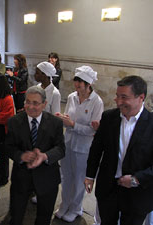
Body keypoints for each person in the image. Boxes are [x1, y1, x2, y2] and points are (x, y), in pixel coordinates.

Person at [85, 75, 153, 225]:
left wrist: (136, 180)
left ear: (141, 97)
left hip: (138, 193)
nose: (118, 101)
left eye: (124, 97)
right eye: (117, 95)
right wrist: (90, 175)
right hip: (108, 188)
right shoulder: (109, 117)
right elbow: (97, 148)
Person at [6, 85, 65, 225]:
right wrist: (21, 156)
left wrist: (44, 156)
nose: (30, 106)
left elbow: (61, 149)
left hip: (47, 177)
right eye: (27, 102)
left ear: (44, 104)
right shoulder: (14, 121)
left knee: (44, 217)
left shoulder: (55, 123)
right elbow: (8, 147)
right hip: (21, 177)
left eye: (35, 103)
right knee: (16, 215)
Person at [54, 65, 104, 222]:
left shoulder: (96, 102)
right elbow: (68, 119)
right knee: (66, 176)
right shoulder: (71, 97)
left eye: (80, 83)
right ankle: (64, 204)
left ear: (88, 84)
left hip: (83, 147)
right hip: (68, 142)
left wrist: (73, 124)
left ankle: (76, 208)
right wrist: (61, 119)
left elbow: (93, 130)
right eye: (75, 81)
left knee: (79, 178)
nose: (76, 86)